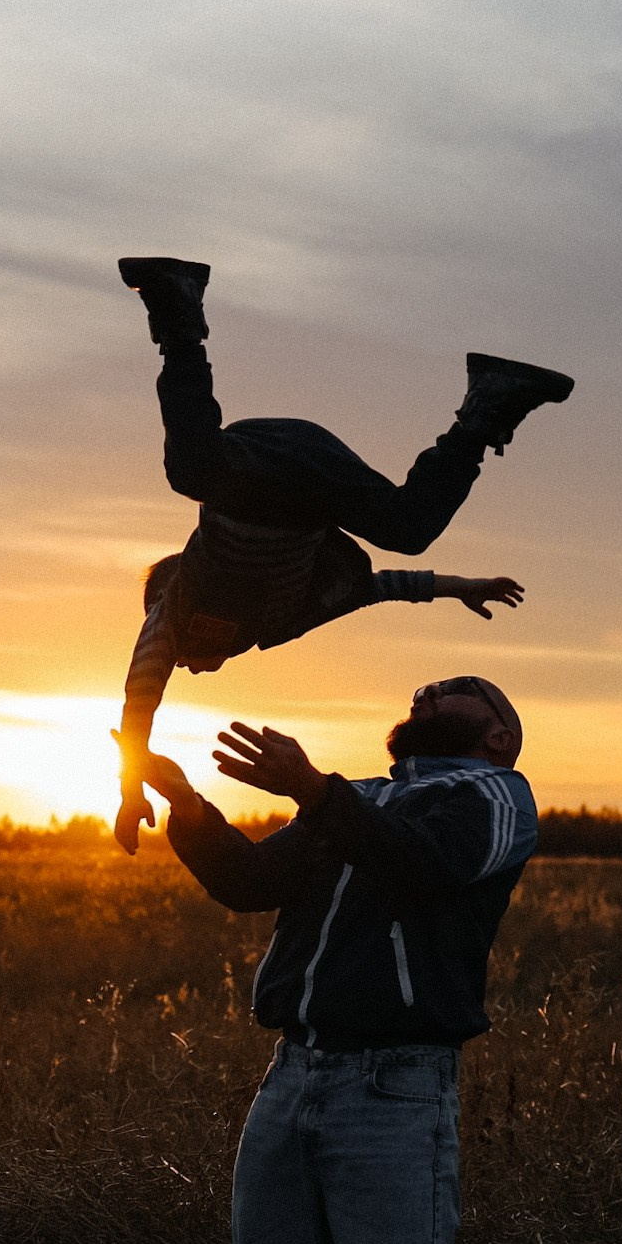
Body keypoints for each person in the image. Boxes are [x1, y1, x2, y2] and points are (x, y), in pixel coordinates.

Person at [138, 676, 540, 1244]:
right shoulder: (356, 797)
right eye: (424, 687)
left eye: (459, 691)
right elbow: (250, 882)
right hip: (290, 1082)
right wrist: (184, 800)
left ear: (500, 734)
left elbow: (425, 867)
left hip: (395, 1097)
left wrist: (314, 792)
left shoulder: (497, 797)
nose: (428, 690)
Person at [112, 255, 573, 854]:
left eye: (184, 659)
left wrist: (128, 787)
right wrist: (461, 585)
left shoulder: (175, 608)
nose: (191, 666)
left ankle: (179, 320)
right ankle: (488, 405)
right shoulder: (285, 617)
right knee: (409, 526)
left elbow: (139, 692)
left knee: (191, 469)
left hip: (250, 470)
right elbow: (381, 585)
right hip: (316, 480)